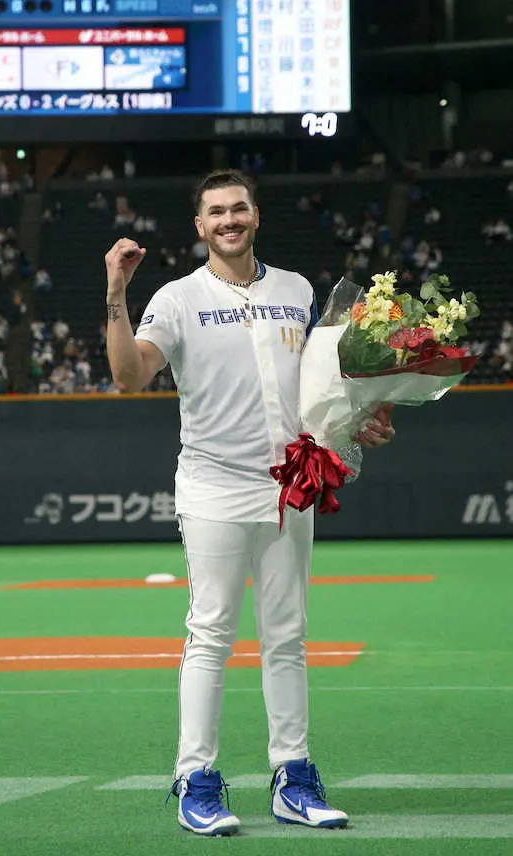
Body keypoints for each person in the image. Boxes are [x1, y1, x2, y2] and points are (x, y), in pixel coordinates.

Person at [104, 169, 395, 838]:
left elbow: (323, 387)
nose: (229, 220)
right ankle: (196, 778)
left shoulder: (297, 290)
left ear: (256, 215)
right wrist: (117, 293)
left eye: (238, 208)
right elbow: (129, 375)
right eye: (216, 212)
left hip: (291, 485)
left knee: (287, 637)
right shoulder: (177, 298)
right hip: (213, 487)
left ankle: (292, 776)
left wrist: (363, 419)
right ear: (200, 226)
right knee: (211, 633)